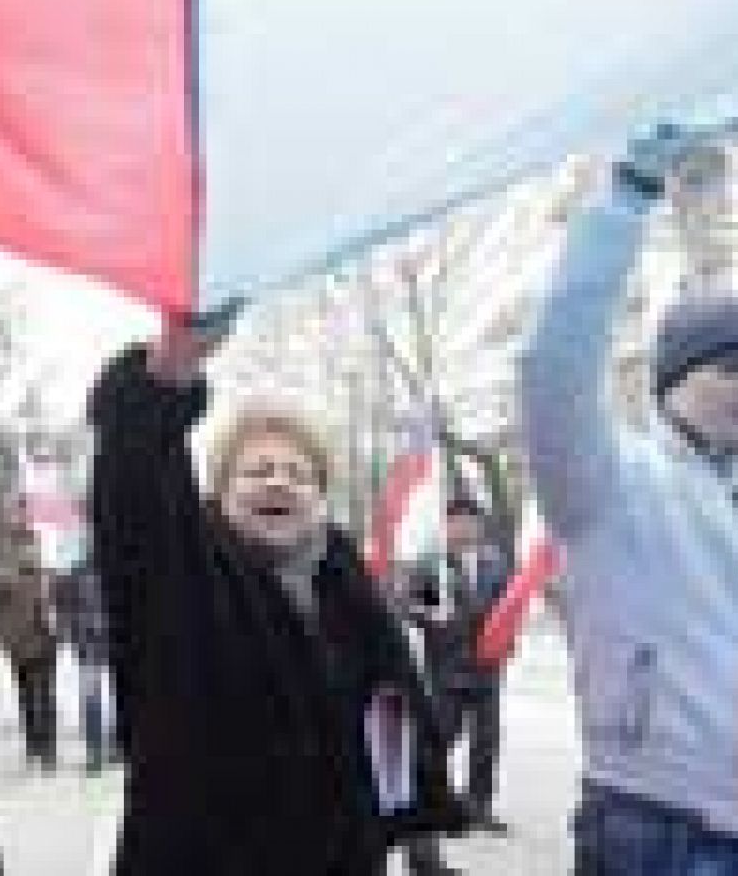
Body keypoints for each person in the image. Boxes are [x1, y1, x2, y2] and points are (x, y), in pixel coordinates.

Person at [521, 129, 738, 874]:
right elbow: (553, 368)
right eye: (731, 366)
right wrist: (624, 203)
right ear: (671, 384)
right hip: (660, 832)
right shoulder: (609, 484)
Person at [88, 320, 462, 876]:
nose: (278, 483)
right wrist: (162, 379)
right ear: (221, 494)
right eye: (258, 471)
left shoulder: (349, 591)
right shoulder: (182, 578)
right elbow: (135, 495)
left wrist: (414, 830)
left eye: (298, 474)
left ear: (320, 496)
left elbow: (390, 714)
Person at [398, 496, 514, 876]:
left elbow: (508, 609)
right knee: (439, 740)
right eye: (457, 521)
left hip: (486, 669)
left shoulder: (495, 564)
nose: (464, 527)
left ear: (479, 526)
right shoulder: (433, 565)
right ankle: (432, 804)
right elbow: (410, 607)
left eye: (470, 520)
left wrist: (505, 644)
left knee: (487, 740)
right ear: (447, 526)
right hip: (447, 669)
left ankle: (479, 806)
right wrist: (430, 614)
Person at [0, 530, 61, 771]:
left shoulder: (44, 575)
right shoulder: (8, 576)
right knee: (32, 695)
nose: (31, 550)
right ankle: (38, 747)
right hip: (23, 645)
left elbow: (57, 605)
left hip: (43, 642)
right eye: (29, 545)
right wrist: (0, 636)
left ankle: (44, 748)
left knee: (40, 695)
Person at [56, 559, 118, 773]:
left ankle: (101, 749)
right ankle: (98, 750)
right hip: (90, 641)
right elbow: (63, 609)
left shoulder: (73, 574)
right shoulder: (74, 574)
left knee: (97, 696)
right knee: (95, 696)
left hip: (91, 640)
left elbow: (63, 609)